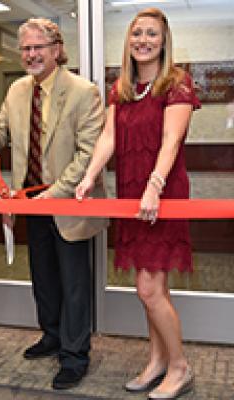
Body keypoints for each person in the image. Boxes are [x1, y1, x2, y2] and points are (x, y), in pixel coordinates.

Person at [0, 18, 107, 390]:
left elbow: (89, 154)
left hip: (69, 203)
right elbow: (0, 125)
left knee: (74, 282)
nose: (30, 54)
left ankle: (75, 355)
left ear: (57, 49)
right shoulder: (16, 90)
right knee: (43, 277)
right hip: (30, 202)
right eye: (25, 48)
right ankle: (52, 336)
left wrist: (55, 194)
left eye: (38, 48)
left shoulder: (84, 91)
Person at [76, 8, 200, 400]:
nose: (143, 40)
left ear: (164, 41)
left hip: (161, 193)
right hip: (132, 192)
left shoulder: (176, 84)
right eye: (137, 34)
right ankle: (158, 360)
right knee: (149, 287)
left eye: (151, 34)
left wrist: (155, 186)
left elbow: (171, 142)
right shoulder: (122, 88)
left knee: (149, 290)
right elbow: (109, 139)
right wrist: (89, 176)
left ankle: (179, 366)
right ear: (128, 40)